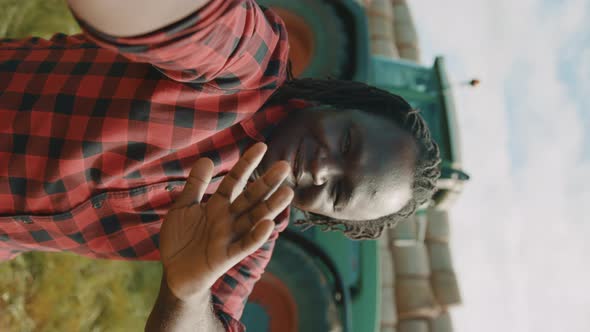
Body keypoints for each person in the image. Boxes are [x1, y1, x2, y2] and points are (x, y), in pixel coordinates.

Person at [0, 0, 440, 330]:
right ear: (335, 102)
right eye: (347, 142)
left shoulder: (245, 240)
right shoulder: (249, 67)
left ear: (326, 215)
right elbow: (184, 17)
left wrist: (186, 292)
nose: (325, 170)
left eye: (339, 192)